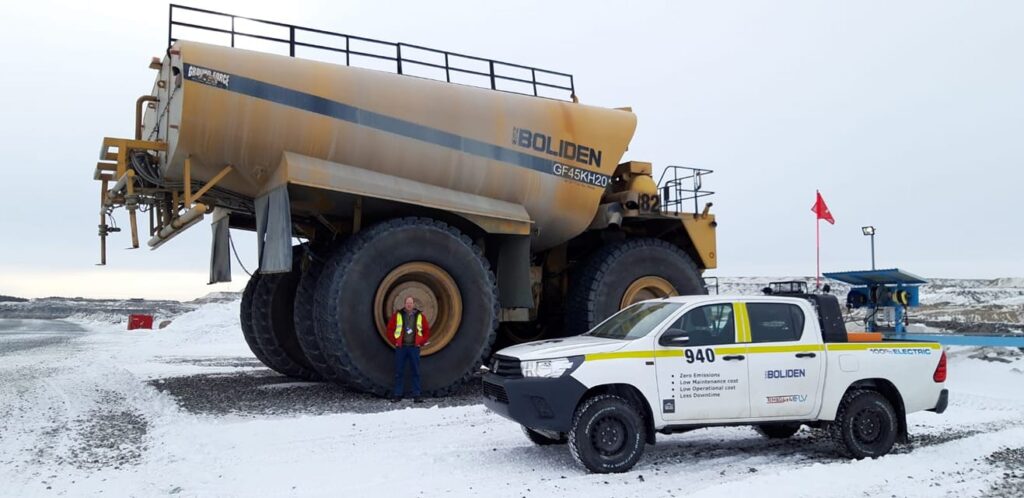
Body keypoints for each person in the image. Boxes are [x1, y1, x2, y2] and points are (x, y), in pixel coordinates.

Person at [387, 296, 431, 402]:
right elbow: (390, 330)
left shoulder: (420, 316)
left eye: (411, 303)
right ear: (404, 304)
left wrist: (421, 342)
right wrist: (395, 342)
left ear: (413, 304)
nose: (409, 305)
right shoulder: (397, 315)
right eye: (407, 303)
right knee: (399, 372)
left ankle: (416, 395)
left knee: (415, 371)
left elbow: (426, 331)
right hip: (401, 348)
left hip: (414, 348)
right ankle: (398, 395)